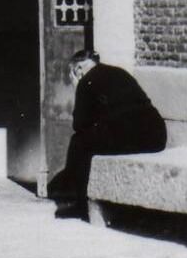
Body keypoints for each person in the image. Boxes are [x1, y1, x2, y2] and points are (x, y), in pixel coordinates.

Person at [50, 50, 166, 217]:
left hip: (132, 137)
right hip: (156, 134)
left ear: (78, 70)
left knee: (79, 143)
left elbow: (79, 125)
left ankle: (80, 205)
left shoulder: (86, 81)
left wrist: (78, 86)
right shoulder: (118, 72)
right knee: (95, 137)